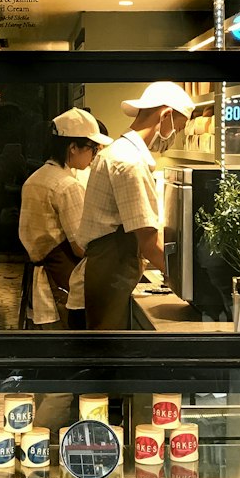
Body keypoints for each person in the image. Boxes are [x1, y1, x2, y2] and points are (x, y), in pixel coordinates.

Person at [77, 81, 196, 330]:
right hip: (111, 273)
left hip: (106, 269)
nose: (175, 137)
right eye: (180, 127)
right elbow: (150, 244)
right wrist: (190, 286)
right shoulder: (129, 162)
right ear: (165, 116)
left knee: (103, 354)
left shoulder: (117, 152)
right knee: (110, 358)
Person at [19, 108, 112, 329]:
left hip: (39, 276)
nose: (94, 155)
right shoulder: (67, 186)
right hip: (59, 281)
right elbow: (81, 245)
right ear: (72, 148)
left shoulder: (36, 177)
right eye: (92, 148)